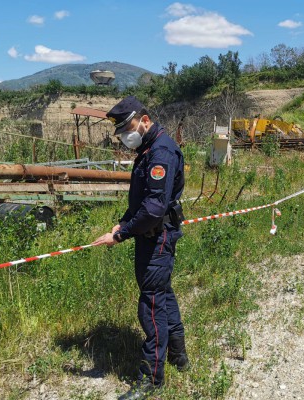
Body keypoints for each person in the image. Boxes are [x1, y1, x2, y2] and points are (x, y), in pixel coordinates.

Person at [92, 96, 188, 400]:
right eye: (120, 131)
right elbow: (141, 202)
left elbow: (153, 209)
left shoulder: (160, 151)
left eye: (127, 128)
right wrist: (123, 223)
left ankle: (151, 378)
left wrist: (121, 235)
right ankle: (178, 356)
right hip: (151, 235)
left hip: (157, 236)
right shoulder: (149, 148)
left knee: (151, 305)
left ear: (144, 120)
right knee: (162, 293)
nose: (124, 136)